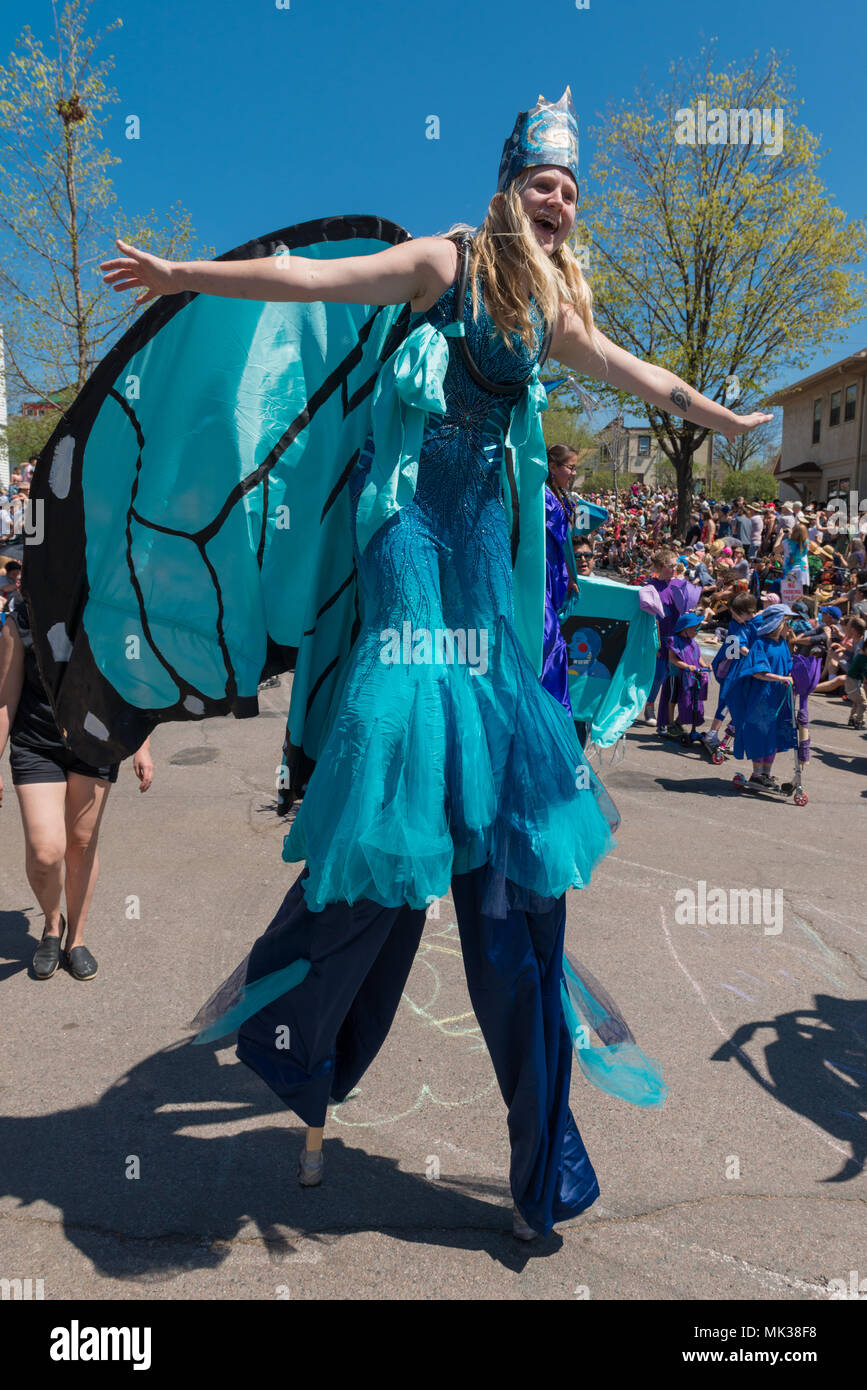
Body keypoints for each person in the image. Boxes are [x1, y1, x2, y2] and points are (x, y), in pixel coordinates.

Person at [87, 86, 770, 1239]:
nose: (560, 199)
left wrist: (723, 417)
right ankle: (302, 1049)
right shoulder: (448, 264)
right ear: (508, 183)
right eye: (544, 181)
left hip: (483, 575)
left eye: (571, 188)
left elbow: (640, 375)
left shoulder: (551, 304)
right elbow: (312, 281)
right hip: (412, 552)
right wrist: (187, 277)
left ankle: (540, 1163)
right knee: (394, 820)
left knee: (512, 886)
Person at [0, 599, 154, 980]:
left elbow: (134, 685)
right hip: (36, 743)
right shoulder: (21, 616)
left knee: (82, 844)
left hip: (98, 741)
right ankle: (53, 924)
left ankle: (76, 939)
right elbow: (6, 697)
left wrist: (142, 746)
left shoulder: (116, 609)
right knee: (45, 851)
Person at [725, 603, 797, 790]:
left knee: (773, 735)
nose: (789, 627)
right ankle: (757, 773)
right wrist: (781, 678)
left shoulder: (782, 644)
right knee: (760, 733)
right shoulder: (760, 643)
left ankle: (766, 773)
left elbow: (789, 667)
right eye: (786, 622)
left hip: (779, 698)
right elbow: (757, 672)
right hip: (762, 697)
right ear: (777, 623)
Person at [542, 444, 579, 712]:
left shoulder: (560, 496)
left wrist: (571, 576)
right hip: (542, 572)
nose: (573, 473)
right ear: (552, 467)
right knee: (551, 642)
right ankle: (550, 707)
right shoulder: (542, 497)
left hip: (556, 573)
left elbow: (566, 541)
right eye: (570, 467)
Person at [703, 592, 758, 750]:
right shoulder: (736, 624)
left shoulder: (757, 622)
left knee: (745, 703)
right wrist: (751, 654)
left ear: (746, 612)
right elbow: (735, 649)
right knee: (726, 699)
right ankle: (712, 733)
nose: (732, 616)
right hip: (735, 668)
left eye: (734, 613)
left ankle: (733, 736)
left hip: (749, 668)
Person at [665, 612, 711, 736]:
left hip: (690, 676)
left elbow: (698, 658)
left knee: (690, 699)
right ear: (685, 629)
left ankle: (679, 721)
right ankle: (670, 724)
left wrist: (705, 665)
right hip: (676, 675)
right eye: (695, 628)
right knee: (673, 698)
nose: (697, 631)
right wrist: (686, 666)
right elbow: (672, 659)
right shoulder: (674, 640)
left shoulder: (693, 642)